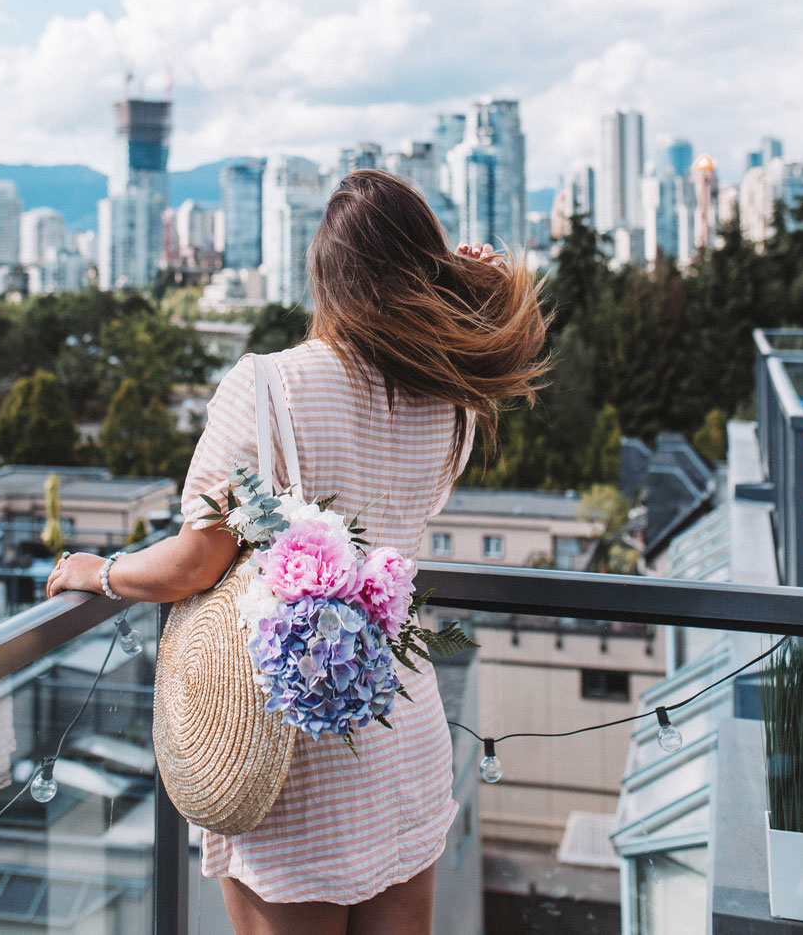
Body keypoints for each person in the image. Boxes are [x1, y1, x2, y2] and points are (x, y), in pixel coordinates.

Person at [47, 169, 547, 934]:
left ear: (324, 274)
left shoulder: (267, 388)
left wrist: (98, 571)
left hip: (293, 743)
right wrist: (470, 280)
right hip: (400, 721)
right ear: (425, 270)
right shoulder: (450, 396)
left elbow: (196, 563)